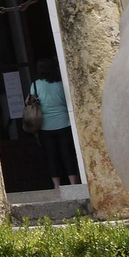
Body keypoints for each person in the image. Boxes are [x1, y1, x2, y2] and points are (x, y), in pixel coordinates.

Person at [31, 58, 80, 189]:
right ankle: (73, 183)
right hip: (65, 123)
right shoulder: (62, 84)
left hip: (46, 126)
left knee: (51, 156)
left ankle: (57, 186)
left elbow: (29, 102)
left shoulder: (36, 85)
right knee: (67, 154)